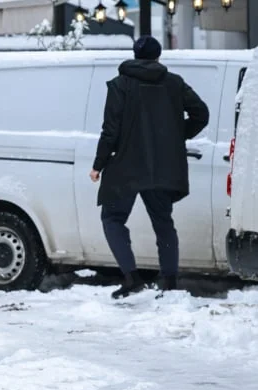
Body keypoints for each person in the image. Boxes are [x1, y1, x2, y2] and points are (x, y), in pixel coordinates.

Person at [90, 35, 209, 300]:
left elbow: (110, 130)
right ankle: (169, 282)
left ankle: (132, 278)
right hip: (163, 165)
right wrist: (177, 136)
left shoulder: (120, 85)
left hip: (125, 167)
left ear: (135, 55)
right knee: (164, 223)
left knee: (112, 218)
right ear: (158, 56)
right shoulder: (174, 83)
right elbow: (201, 113)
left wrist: (98, 164)